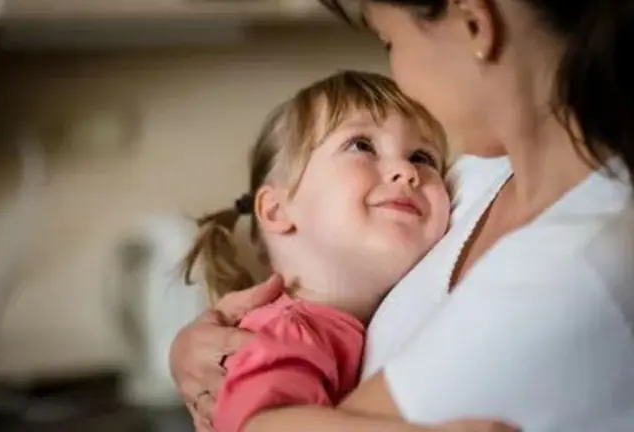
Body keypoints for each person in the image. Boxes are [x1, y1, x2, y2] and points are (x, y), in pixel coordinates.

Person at [171, 0, 634, 431]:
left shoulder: (573, 267)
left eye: (389, 41)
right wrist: (197, 355)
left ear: (474, 22)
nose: (408, 174)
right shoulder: (480, 174)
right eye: (361, 146)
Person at [181, 70, 511, 432]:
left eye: (423, 157)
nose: (406, 171)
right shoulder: (294, 329)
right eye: (362, 146)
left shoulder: (343, 327)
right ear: (277, 210)